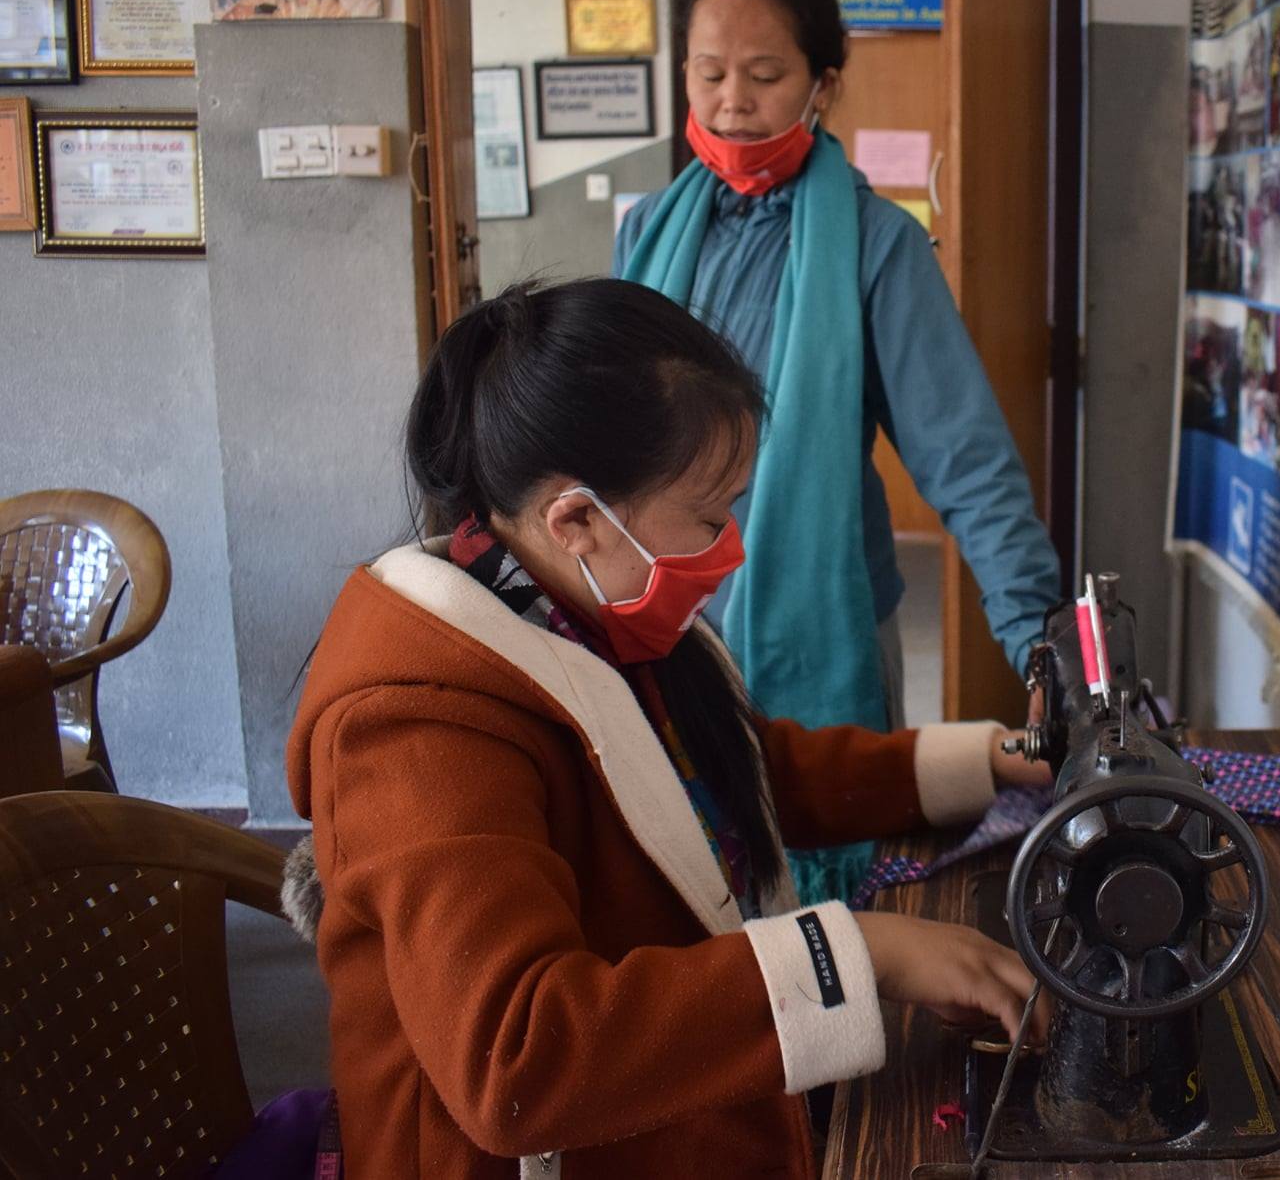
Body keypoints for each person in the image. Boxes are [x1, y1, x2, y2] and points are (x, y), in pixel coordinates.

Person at [286, 278, 1052, 1179]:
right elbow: (518, 1056)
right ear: (575, 518)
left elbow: (742, 780)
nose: (729, 546)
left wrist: (985, 759)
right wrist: (860, 950)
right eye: (708, 516)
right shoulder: (417, 725)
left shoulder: (592, 616)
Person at [614, 0, 1062, 901]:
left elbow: (966, 460)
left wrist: (1038, 639)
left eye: (764, 74)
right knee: (682, 888)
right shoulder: (646, 235)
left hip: (819, 629)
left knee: (822, 893)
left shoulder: (876, 246)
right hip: (654, 626)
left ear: (822, 83)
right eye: (707, 74)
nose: (731, 102)